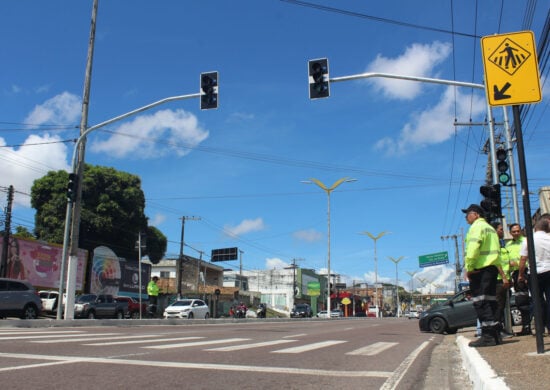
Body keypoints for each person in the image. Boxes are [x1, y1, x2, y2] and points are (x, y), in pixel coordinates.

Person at [462, 204, 501, 347]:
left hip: (480, 270)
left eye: (468, 214)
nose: (466, 217)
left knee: (481, 302)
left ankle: (488, 336)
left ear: (477, 214)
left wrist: (470, 268)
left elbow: (472, 249)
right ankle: (495, 335)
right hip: (491, 268)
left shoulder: (476, 227)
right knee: (491, 302)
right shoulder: (490, 228)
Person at [518, 218, 550, 335]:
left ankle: (540, 328)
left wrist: (521, 275)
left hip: (535, 274)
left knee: (538, 302)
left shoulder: (528, 240)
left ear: (535, 228)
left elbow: (523, 259)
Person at [506, 223, 530, 335]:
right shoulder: (508, 245)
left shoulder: (526, 241)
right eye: (513, 231)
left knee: (533, 299)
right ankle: (526, 327)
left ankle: (540, 324)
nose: (516, 233)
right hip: (515, 273)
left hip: (527, 271)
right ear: (510, 233)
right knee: (521, 301)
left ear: (521, 231)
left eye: (518, 231)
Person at [493, 223, 511, 336]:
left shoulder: (502, 243)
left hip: (505, 279)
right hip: (499, 279)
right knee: (499, 306)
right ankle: (497, 330)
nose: (502, 231)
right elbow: (496, 261)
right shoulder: (495, 244)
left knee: (502, 305)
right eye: (500, 229)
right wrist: (504, 277)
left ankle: (500, 328)